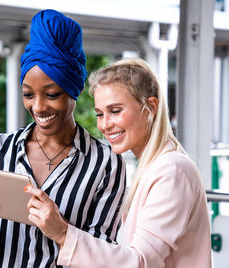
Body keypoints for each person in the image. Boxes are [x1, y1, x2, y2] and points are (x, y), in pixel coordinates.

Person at [0, 9, 126, 267]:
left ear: (74, 89)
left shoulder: (105, 164)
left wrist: (61, 230)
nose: (38, 107)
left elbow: (104, 260)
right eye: (28, 94)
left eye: (52, 95)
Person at [26, 58, 212, 267]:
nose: (105, 125)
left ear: (150, 107)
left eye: (115, 111)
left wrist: (62, 232)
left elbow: (140, 262)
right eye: (99, 114)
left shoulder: (172, 171)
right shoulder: (154, 166)